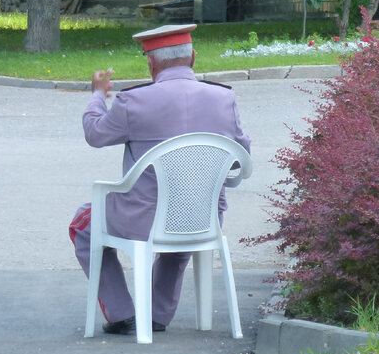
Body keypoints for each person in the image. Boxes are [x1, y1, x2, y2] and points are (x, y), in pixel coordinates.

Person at [68, 23, 252, 335]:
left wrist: (97, 96)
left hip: (142, 220)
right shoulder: (224, 98)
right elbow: (241, 153)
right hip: (203, 216)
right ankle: (156, 314)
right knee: (181, 233)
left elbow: (95, 134)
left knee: (82, 226)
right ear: (193, 58)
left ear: (151, 64)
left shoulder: (133, 101)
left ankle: (121, 313)